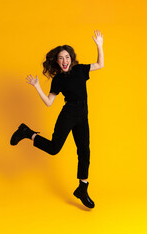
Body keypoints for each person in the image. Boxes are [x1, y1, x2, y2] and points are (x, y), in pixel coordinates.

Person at [10, 30, 104, 209]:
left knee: (85, 151)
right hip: (68, 114)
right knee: (54, 149)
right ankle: (27, 132)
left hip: (83, 115)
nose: (64, 61)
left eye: (67, 57)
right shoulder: (58, 79)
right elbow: (48, 103)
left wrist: (99, 45)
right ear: (57, 62)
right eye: (61, 58)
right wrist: (37, 86)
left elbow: (100, 64)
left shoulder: (80, 69)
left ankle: (82, 188)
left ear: (71, 58)